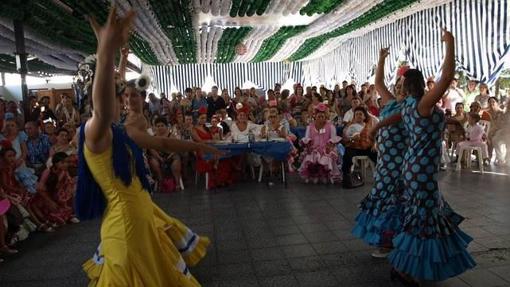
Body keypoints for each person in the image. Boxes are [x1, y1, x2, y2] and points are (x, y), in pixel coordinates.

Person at [77, 9, 222, 286]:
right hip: (126, 227)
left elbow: (163, 142)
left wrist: (198, 145)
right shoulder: (96, 133)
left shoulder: (121, 132)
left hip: (139, 217)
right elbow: (103, 109)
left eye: (125, 94)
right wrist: (105, 52)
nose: (124, 99)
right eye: (120, 94)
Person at [385, 29, 475, 284]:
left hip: (413, 167)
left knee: (422, 214)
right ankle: (405, 269)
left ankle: (406, 264)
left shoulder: (409, 106)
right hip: (421, 170)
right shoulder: (422, 104)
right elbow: (447, 77)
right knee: (422, 218)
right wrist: (451, 43)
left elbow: (395, 117)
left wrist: (378, 126)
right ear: (422, 83)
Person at [352, 48, 409, 258]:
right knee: (385, 201)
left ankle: (391, 243)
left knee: (395, 202)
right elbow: (378, 84)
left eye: (403, 86)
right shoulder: (392, 102)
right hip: (385, 162)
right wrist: (381, 59)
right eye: (397, 85)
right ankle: (388, 241)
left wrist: (376, 129)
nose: (398, 88)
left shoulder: (411, 107)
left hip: (400, 163)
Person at [298, 103, 341, 184]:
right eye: (319, 116)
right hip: (314, 148)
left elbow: (333, 138)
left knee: (326, 155)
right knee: (312, 155)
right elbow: (307, 138)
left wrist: (330, 146)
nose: (321, 118)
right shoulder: (310, 126)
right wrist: (308, 145)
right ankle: (314, 175)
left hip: (326, 148)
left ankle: (325, 175)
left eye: (322, 116)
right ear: (315, 116)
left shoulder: (330, 126)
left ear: (325, 117)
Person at [191, 107, 233, 189]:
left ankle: (223, 180)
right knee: (218, 157)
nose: (204, 120)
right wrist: (210, 141)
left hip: (211, 148)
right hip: (201, 150)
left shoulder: (206, 128)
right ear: (197, 118)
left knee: (226, 157)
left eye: (205, 118)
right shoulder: (193, 129)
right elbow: (199, 141)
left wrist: (216, 139)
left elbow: (214, 139)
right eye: (202, 118)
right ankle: (216, 181)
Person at [36, 152, 79, 225]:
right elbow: (39, 188)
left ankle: (69, 213)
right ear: (55, 163)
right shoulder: (48, 172)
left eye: (67, 162)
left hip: (59, 196)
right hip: (47, 197)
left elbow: (69, 183)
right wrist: (50, 202)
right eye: (62, 162)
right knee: (58, 219)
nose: (66, 164)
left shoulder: (64, 171)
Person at [341, 106, 377, 187]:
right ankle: (347, 176)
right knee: (348, 152)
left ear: (364, 116)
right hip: (354, 147)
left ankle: (379, 175)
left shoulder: (369, 126)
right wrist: (352, 139)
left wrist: (374, 145)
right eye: (356, 114)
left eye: (360, 114)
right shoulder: (350, 126)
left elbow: (374, 137)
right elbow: (346, 139)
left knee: (376, 153)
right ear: (354, 116)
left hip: (366, 147)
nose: (358, 116)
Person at [149, 117, 183, 192]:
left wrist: (170, 155)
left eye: (162, 125)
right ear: (155, 127)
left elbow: (176, 148)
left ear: (166, 126)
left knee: (176, 160)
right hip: (158, 157)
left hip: (171, 156)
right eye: (158, 126)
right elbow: (152, 150)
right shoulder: (153, 137)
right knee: (153, 162)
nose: (160, 128)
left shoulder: (171, 136)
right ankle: (161, 181)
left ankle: (177, 183)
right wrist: (159, 157)